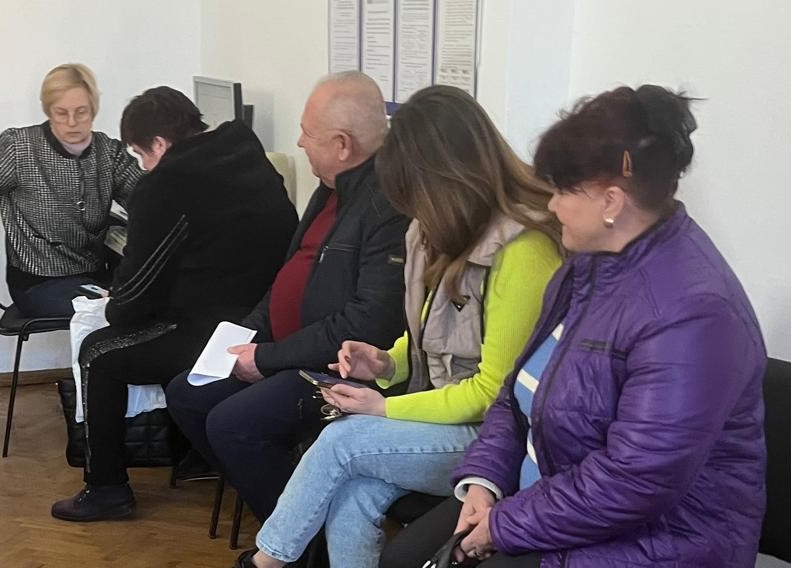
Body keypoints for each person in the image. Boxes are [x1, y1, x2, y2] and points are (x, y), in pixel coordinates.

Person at [380, 85, 767, 568]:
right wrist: (484, 481)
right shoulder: (586, 268)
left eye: (564, 190)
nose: (552, 204)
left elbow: (633, 482)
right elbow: (514, 394)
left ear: (612, 202)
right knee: (402, 558)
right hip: (552, 504)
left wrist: (502, 526)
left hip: (654, 543)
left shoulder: (693, 315)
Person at [233, 85, 563, 568]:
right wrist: (387, 363)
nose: (410, 210)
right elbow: (433, 331)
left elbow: (495, 395)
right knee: (354, 493)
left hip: (492, 440)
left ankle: (266, 562)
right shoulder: (445, 229)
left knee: (341, 441)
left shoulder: (523, 251)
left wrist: (385, 407)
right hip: (442, 416)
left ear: (443, 181)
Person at [165, 71, 409, 523]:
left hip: (333, 368)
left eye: (307, 133)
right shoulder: (331, 187)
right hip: (286, 350)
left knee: (234, 424)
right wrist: (245, 335)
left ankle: (298, 539)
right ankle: (286, 508)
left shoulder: (387, 206)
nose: (299, 142)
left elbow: (369, 322)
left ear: (342, 145)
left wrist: (268, 357)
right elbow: (289, 276)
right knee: (187, 394)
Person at [50, 86, 298, 521]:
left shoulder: (167, 185)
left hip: (215, 331)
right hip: (269, 317)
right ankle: (193, 454)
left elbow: (135, 292)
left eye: (141, 155)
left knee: (98, 352)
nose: (143, 166)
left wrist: (114, 305)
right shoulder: (244, 149)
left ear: (160, 144)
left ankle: (107, 488)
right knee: (142, 334)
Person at [0, 63, 143, 317]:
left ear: (93, 110)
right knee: (117, 312)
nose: (72, 122)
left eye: (81, 112)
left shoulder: (108, 152)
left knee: (147, 301)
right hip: (38, 284)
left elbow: (145, 194)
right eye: (61, 113)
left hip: (94, 276)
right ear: (49, 111)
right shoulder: (20, 147)